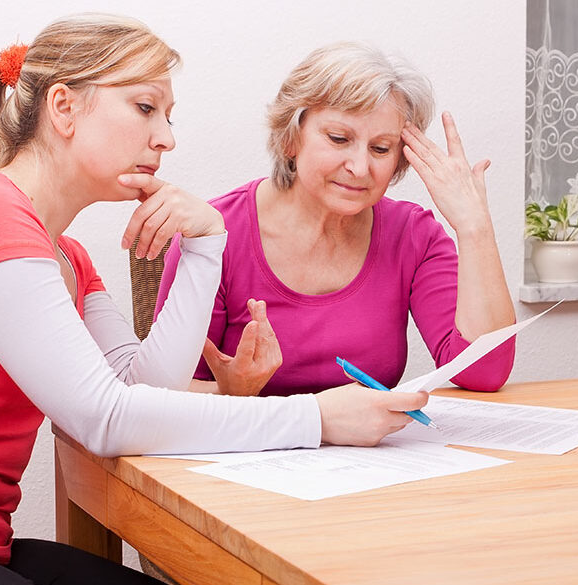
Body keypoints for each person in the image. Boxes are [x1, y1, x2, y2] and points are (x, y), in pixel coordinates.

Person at [0, 15, 428, 585]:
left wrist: (206, 248)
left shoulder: (66, 257)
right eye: (146, 108)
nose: (166, 138)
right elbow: (105, 420)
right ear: (63, 108)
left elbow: (143, 390)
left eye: (168, 116)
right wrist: (317, 418)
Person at [155, 42, 517, 397]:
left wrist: (474, 227)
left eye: (380, 148)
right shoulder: (214, 236)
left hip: (370, 454)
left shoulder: (413, 236)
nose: (360, 168)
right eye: (339, 138)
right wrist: (299, 414)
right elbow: (163, 392)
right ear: (290, 138)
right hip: (245, 451)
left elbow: (483, 371)